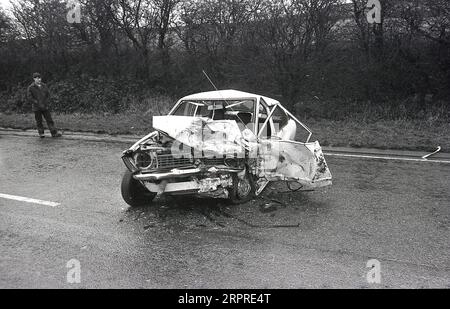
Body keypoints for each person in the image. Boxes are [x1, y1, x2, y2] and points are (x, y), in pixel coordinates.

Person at [27, 73, 61, 138]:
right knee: (39, 121)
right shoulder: (31, 87)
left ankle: (54, 133)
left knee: (49, 120)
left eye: (40, 78)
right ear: (34, 79)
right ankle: (41, 133)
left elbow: (48, 95)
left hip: (45, 106)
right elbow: (29, 98)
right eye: (37, 78)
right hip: (36, 108)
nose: (39, 79)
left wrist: (46, 102)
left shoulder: (44, 85)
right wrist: (36, 102)